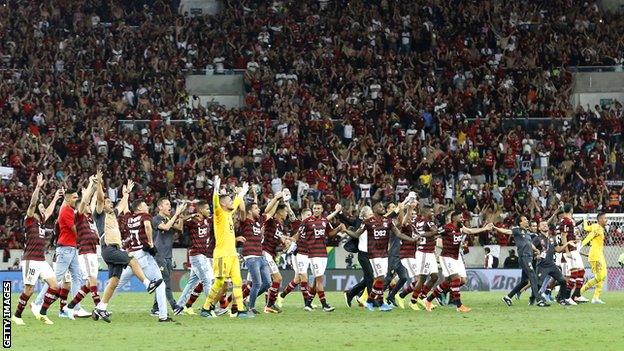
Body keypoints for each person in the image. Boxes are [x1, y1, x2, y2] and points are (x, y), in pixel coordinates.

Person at [92, 179, 163, 323]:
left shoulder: (112, 214)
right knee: (132, 260)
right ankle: (147, 284)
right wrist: (99, 184)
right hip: (108, 248)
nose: (110, 204)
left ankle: (100, 308)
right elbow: (100, 199)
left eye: (111, 203)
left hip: (114, 249)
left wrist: (126, 193)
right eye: (108, 203)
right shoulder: (99, 215)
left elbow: (123, 204)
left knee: (113, 282)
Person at [344, 201, 417, 312]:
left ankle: (369, 300)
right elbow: (356, 234)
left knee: (379, 280)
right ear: (374, 210)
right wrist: (345, 230)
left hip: (384, 254)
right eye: (380, 206)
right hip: (372, 254)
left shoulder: (387, 221)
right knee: (379, 278)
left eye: (383, 206)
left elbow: (398, 233)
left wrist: (412, 240)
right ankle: (376, 302)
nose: (382, 207)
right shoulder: (367, 222)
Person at [11, 174, 63, 325]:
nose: (42, 208)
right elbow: (33, 203)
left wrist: (55, 198)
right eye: (40, 207)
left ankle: (42, 313)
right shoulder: (29, 220)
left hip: (41, 260)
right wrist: (38, 187)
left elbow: (49, 211)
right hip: (30, 260)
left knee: (54, 286)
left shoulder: (41, 222)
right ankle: (17, 315)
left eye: (42, 207)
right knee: (29, 290)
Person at [200, 176, 253, 318]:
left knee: (237, 281)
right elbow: (215, 202)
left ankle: (240, 310)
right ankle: (206, 308)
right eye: (228, 200)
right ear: (223, 204)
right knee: (220, 282)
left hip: (232, 254)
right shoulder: (219, 213)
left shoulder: (228, 213)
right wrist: (216, 190)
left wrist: (242, 193)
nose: (231, 202)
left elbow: (236, 203)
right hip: (222, 254)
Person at [424, 211, 493, 313]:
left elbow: (469, 231)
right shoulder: (447, 227)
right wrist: (421, 237)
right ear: (454, 218)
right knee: (456, 278)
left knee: (462, 281)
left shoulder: (461, 227)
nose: (462, 218)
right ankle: (459, 305)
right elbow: (434, 234)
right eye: (460, 217)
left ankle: (429, 300)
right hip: (447, 257)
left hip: (457, 257)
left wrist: (485, 228)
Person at [63, 171, 103, 319]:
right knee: (92, 280)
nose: (89, 206)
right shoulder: (79, 216)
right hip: (85, 252)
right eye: (86, 205)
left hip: (93, 251)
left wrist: (95, 184)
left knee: (88, 284)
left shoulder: (89, 217)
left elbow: (90, 200)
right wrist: (91, 184)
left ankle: (69, 307)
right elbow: (85, 201)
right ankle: (100, 307)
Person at [293, 203, 344, 312]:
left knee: (317, 280)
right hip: (313, 254)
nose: (316, 210)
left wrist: (339, 228)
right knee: (320, 279)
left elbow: (330, 234)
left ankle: (308, 303)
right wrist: (291, 241)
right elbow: (298, 235)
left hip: (323, 254)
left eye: (318, 208)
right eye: (314, 208)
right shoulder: (306, 222)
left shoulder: (325, 221)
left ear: (322, 210)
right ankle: (325, 304)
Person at [494, 216, 549, 307]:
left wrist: (536, 250)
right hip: (524, 257)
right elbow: (507, 231)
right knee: (533, 277)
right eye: (525, 220)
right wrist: (495, 228)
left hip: (529, 257)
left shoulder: (527, 233)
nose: (527, 221)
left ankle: (508, 297)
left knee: (524, 281)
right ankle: (539, 300)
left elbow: (529, 244)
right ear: (520, 223)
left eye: (527, 219)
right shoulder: (517, 230)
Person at [174, 201, 215, 315]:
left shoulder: (208, 220)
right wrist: (191, 215)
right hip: (196, 255)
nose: (209, 211)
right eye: (207, 209)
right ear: (201, 210)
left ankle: (178, 307)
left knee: (192, 283)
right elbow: (180, 222)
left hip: (203, 256)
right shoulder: (192, 222)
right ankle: (209, 308)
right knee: (207, 280)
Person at [151, 198, 186, 315]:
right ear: (160, 207)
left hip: (168, 255)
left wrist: (179, 215)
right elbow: (166, 227)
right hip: (158, 255)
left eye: (170, 204)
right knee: (165, 280)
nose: (169, 206)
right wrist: (176, 215)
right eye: (167, 204)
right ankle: (174, 306)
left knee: (162, 281)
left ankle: (155, 308)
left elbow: (180, 228)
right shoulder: (156, 219)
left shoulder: (169, 219)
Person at [533, 221, 575, 306]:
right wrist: (536, 254)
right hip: (542, 265)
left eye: (546, 225)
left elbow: (558, 249)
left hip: (552, 265)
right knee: (538, 284)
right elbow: (531, 248)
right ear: (539, 228)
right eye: (543, 225)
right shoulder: (537, 238)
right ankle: (533, 299)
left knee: (562, 281)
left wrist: (566, 243)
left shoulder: (552, 238)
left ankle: (561, 299)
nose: (545, 225)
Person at [560, 203, 588, 303]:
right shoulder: (565, 221)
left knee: (581, 272)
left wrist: (575, 240)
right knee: (574, 273)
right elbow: (563, 236)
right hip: (570, 251)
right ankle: (567, 298)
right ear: (571, 210)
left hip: (574, 249)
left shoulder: (570, 221)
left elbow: (570, 234)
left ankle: (576, 295)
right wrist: (567, 251)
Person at [580, 213, 607, 304]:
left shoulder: (596, 226)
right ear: (600, 220)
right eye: (604, 218)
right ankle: (579, 292)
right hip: (596, 256)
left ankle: (596, 297)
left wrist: (585, 220)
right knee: (600, 277)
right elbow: (590, 236)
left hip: (599, 255)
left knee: (603, 276)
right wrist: (581, 245)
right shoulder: (598, 228)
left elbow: (586, 228)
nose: (606, 220)